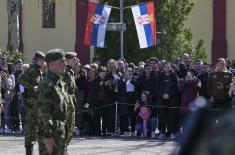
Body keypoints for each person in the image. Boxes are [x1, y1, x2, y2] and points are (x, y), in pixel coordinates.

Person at [37, 49, 68, 155]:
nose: (65, 64)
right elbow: (44, 113)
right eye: (61, 62)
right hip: (51, 136)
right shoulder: (46, 83)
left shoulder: (59, 81)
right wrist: (47, 137)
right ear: (51, 64)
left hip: (60, 133)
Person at [19, 51, 45, 155]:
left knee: (34, 128)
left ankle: (31, 150)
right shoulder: (32, 69)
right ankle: (29, 151)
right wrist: (31, 87)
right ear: (38, 60)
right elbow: (20, 79)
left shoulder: (38, 70)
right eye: (43, 60)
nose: (44, 62)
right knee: (30, 128)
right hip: (31, 104)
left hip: (36, 104)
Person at [207, 58, 233, 123]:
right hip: (214, 99)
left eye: (224, 63)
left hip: (225, 100)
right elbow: (208, 86)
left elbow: (231, 86)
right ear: (217, 64)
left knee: (224, 119)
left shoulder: (229, 74)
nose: (223, 65)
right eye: (221, 63)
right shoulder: (212, 74)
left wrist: (223, 87)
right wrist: (211, 96)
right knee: (212, 119)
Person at [158, 62, 179, 140]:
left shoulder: (174, 76)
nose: (167, 68)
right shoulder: (160, 77)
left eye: (168, 67)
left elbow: (176, 88)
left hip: (172, 100)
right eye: (165, 67)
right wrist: (162, 95)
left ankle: (171, 133)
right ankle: (162, 132)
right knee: (162, 117)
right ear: (163, 68)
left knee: (171, 117)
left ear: (170, 68)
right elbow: (157, 88)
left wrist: (169, 95)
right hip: (162, 100)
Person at [63, 52, 77, 154]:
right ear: (67, 60)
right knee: (65, 129)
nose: (75, 60)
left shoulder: (71, 72)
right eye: (73, 59)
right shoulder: (64, 72)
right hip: (66, 105)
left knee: (71, 129)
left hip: (71, 104)